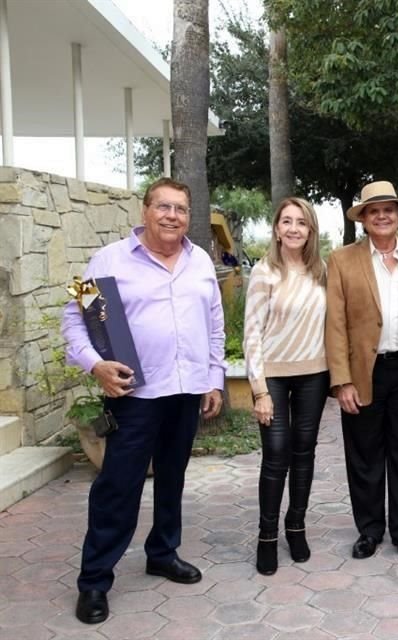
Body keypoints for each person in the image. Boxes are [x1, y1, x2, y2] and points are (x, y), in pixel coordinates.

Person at [62, 178, 225, 624]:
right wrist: (96, 365)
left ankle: (162, 552)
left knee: (172, 478)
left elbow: (214, 324)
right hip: (135, 395)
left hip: (187, 389)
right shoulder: (109, 260)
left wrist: (214, 379)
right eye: (163, 207)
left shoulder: (201, 262)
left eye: (180, 209)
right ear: (145, 210)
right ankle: (94, 580)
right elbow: (75, 322)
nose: (172, 216)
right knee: (119, 485)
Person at [325, 180, 398, 563]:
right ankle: (370, 530)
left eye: (388, 209)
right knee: (365, 455)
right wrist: (341, 380)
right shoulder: (342, 260)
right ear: (363, 218)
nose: (382, 216)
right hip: (363, 372)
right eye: (373, 211)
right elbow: (335, 324)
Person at [243, 197, 330, 575]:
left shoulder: (321, 271)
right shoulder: (264, 272)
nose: (294, 228)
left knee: (304, 452)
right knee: (276, 451)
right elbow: (251, 335)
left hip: (314, 373)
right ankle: (266, 536)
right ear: (276, 228)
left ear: (311, 230)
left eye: (302, 223)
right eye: (287, 221)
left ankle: (296, 526)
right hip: (274, 376)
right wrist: (259, 389)